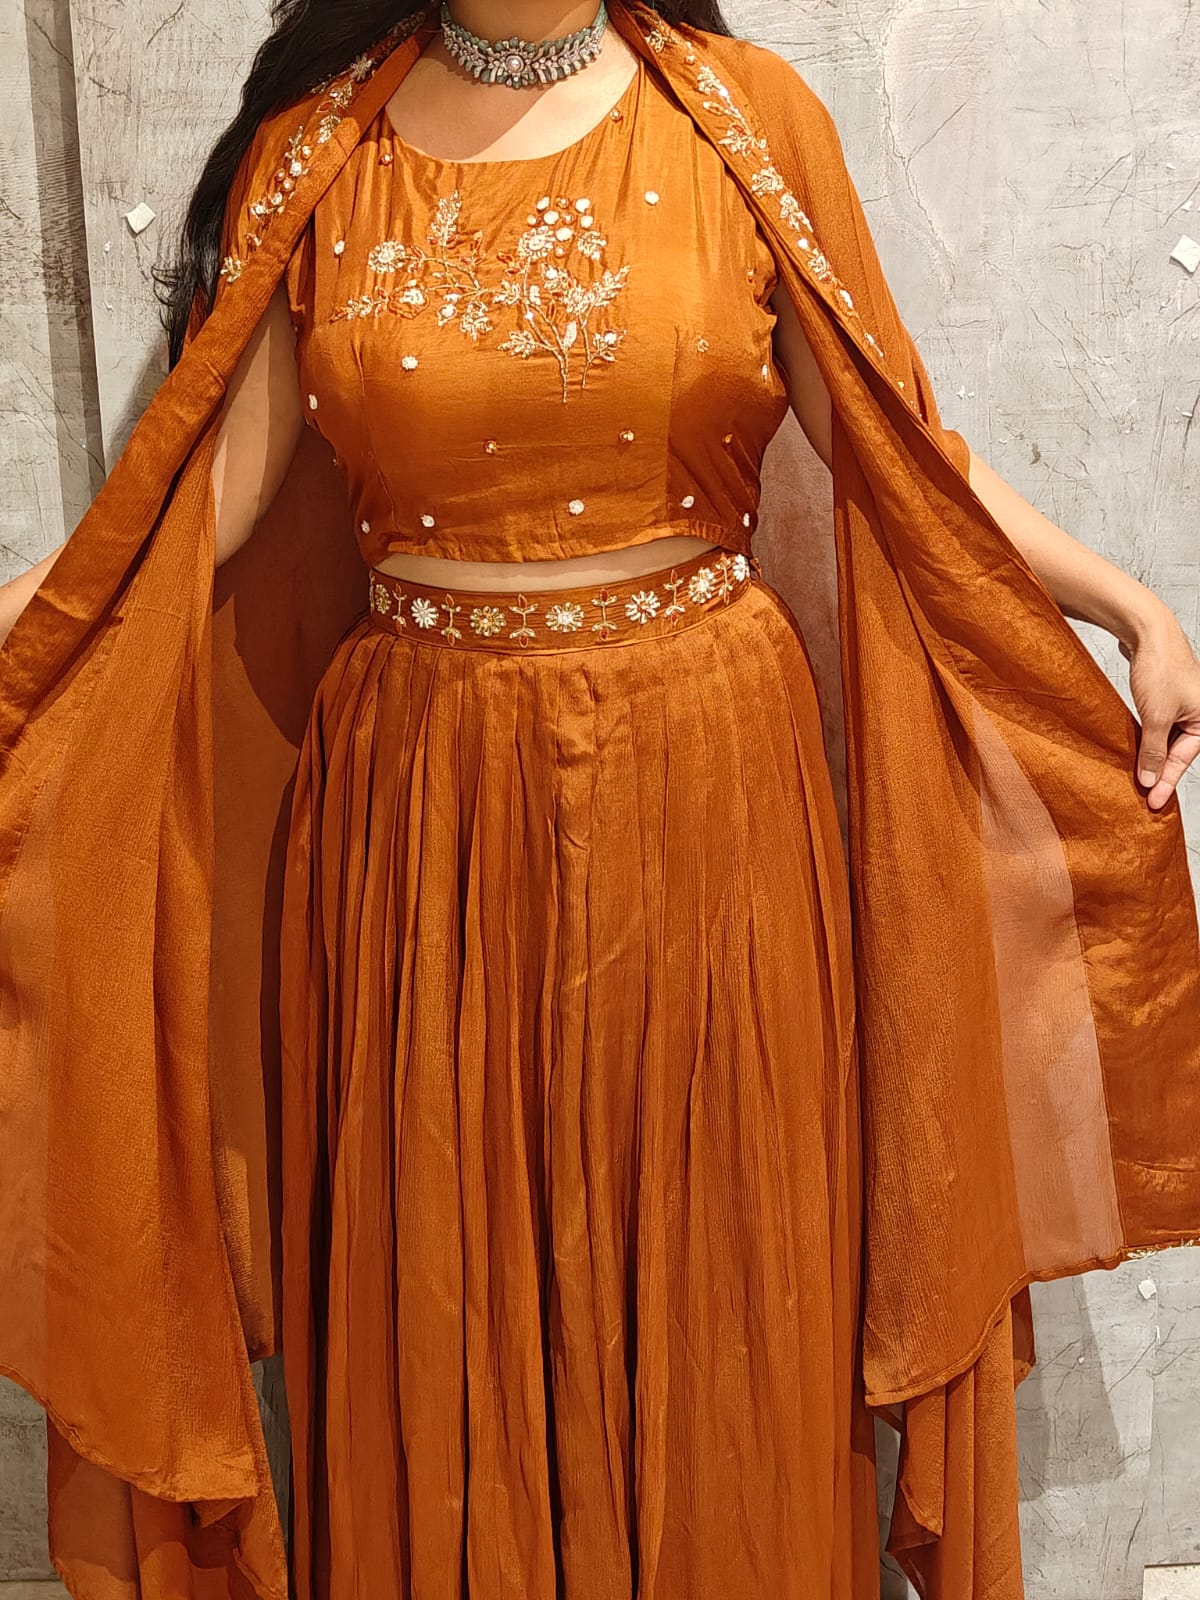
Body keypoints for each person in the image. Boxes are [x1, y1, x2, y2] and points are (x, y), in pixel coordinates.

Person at [2, 3, 1198, 1598]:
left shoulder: (746, 120)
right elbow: (194, 511)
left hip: (708, 792)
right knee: (449, 1277)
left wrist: (1127, 604)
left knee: (722, 1271)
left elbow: (898, 455)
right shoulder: (319, 150)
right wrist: (16, 643)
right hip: (420, 815)